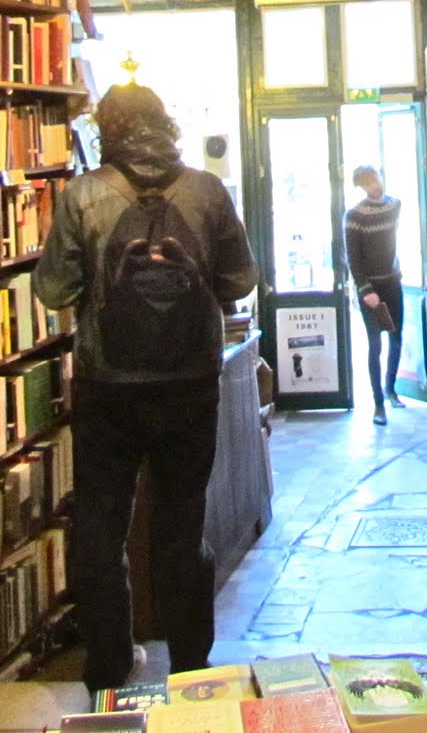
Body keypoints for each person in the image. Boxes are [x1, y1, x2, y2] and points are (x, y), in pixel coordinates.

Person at [34, 84, 257, 695]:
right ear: (166, 123)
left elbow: (52, 290)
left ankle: (109, 668)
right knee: (182, 529)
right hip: (189, 386)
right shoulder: (207, 192)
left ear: (106, 127)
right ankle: (190, 671)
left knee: (101, 532)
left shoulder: (82, 194)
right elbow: (240, 280)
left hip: (108, 388)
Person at [344, 164, 405, 426]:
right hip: (370, 288)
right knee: (374, 344)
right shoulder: (354, 216)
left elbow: (391, 243)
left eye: (376, 178)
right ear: (361, 186)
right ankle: (378, 403)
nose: (375, 185)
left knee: (396, 336)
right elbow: (353, 258)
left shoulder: (395, 206)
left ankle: (391, 388)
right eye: (368, 182)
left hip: (393, 282)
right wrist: (365, 289)